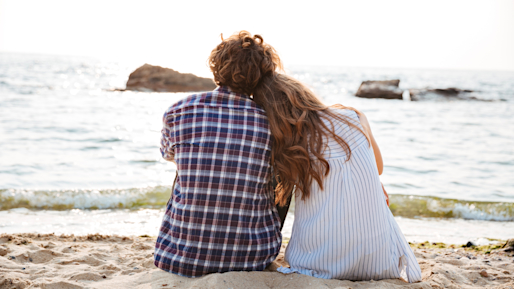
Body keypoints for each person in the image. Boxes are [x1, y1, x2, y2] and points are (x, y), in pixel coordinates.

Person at [252, 74, 422, 282]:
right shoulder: (353, 116)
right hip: (380, 261)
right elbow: (378, 168)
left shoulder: (288, 144)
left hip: (315, 263)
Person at [154, 31, 286, 277]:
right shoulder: (272, 121)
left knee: (186, 164)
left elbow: (168, 154)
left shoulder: (178, 110)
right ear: (263, 76)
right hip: (253, 258)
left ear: (216, 68)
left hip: (178, 257)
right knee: (278, 175)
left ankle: (193, 235)